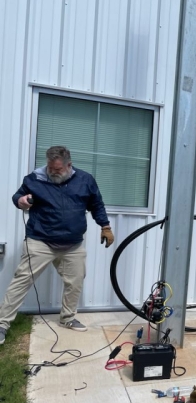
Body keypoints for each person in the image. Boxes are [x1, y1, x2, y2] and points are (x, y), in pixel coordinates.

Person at [0, 146, 114, 345]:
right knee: (21, 281)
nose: (52, 172)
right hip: (40, 240)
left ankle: (67, 318)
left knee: (76, 281)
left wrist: (105, 226)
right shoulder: (34, 179)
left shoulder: (85, 180)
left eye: (58, 169)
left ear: (69, 165)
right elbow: (17, 197)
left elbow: (96, 204)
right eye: (50, 168)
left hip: (72, 243)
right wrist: (21, 200)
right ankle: (2, 324)